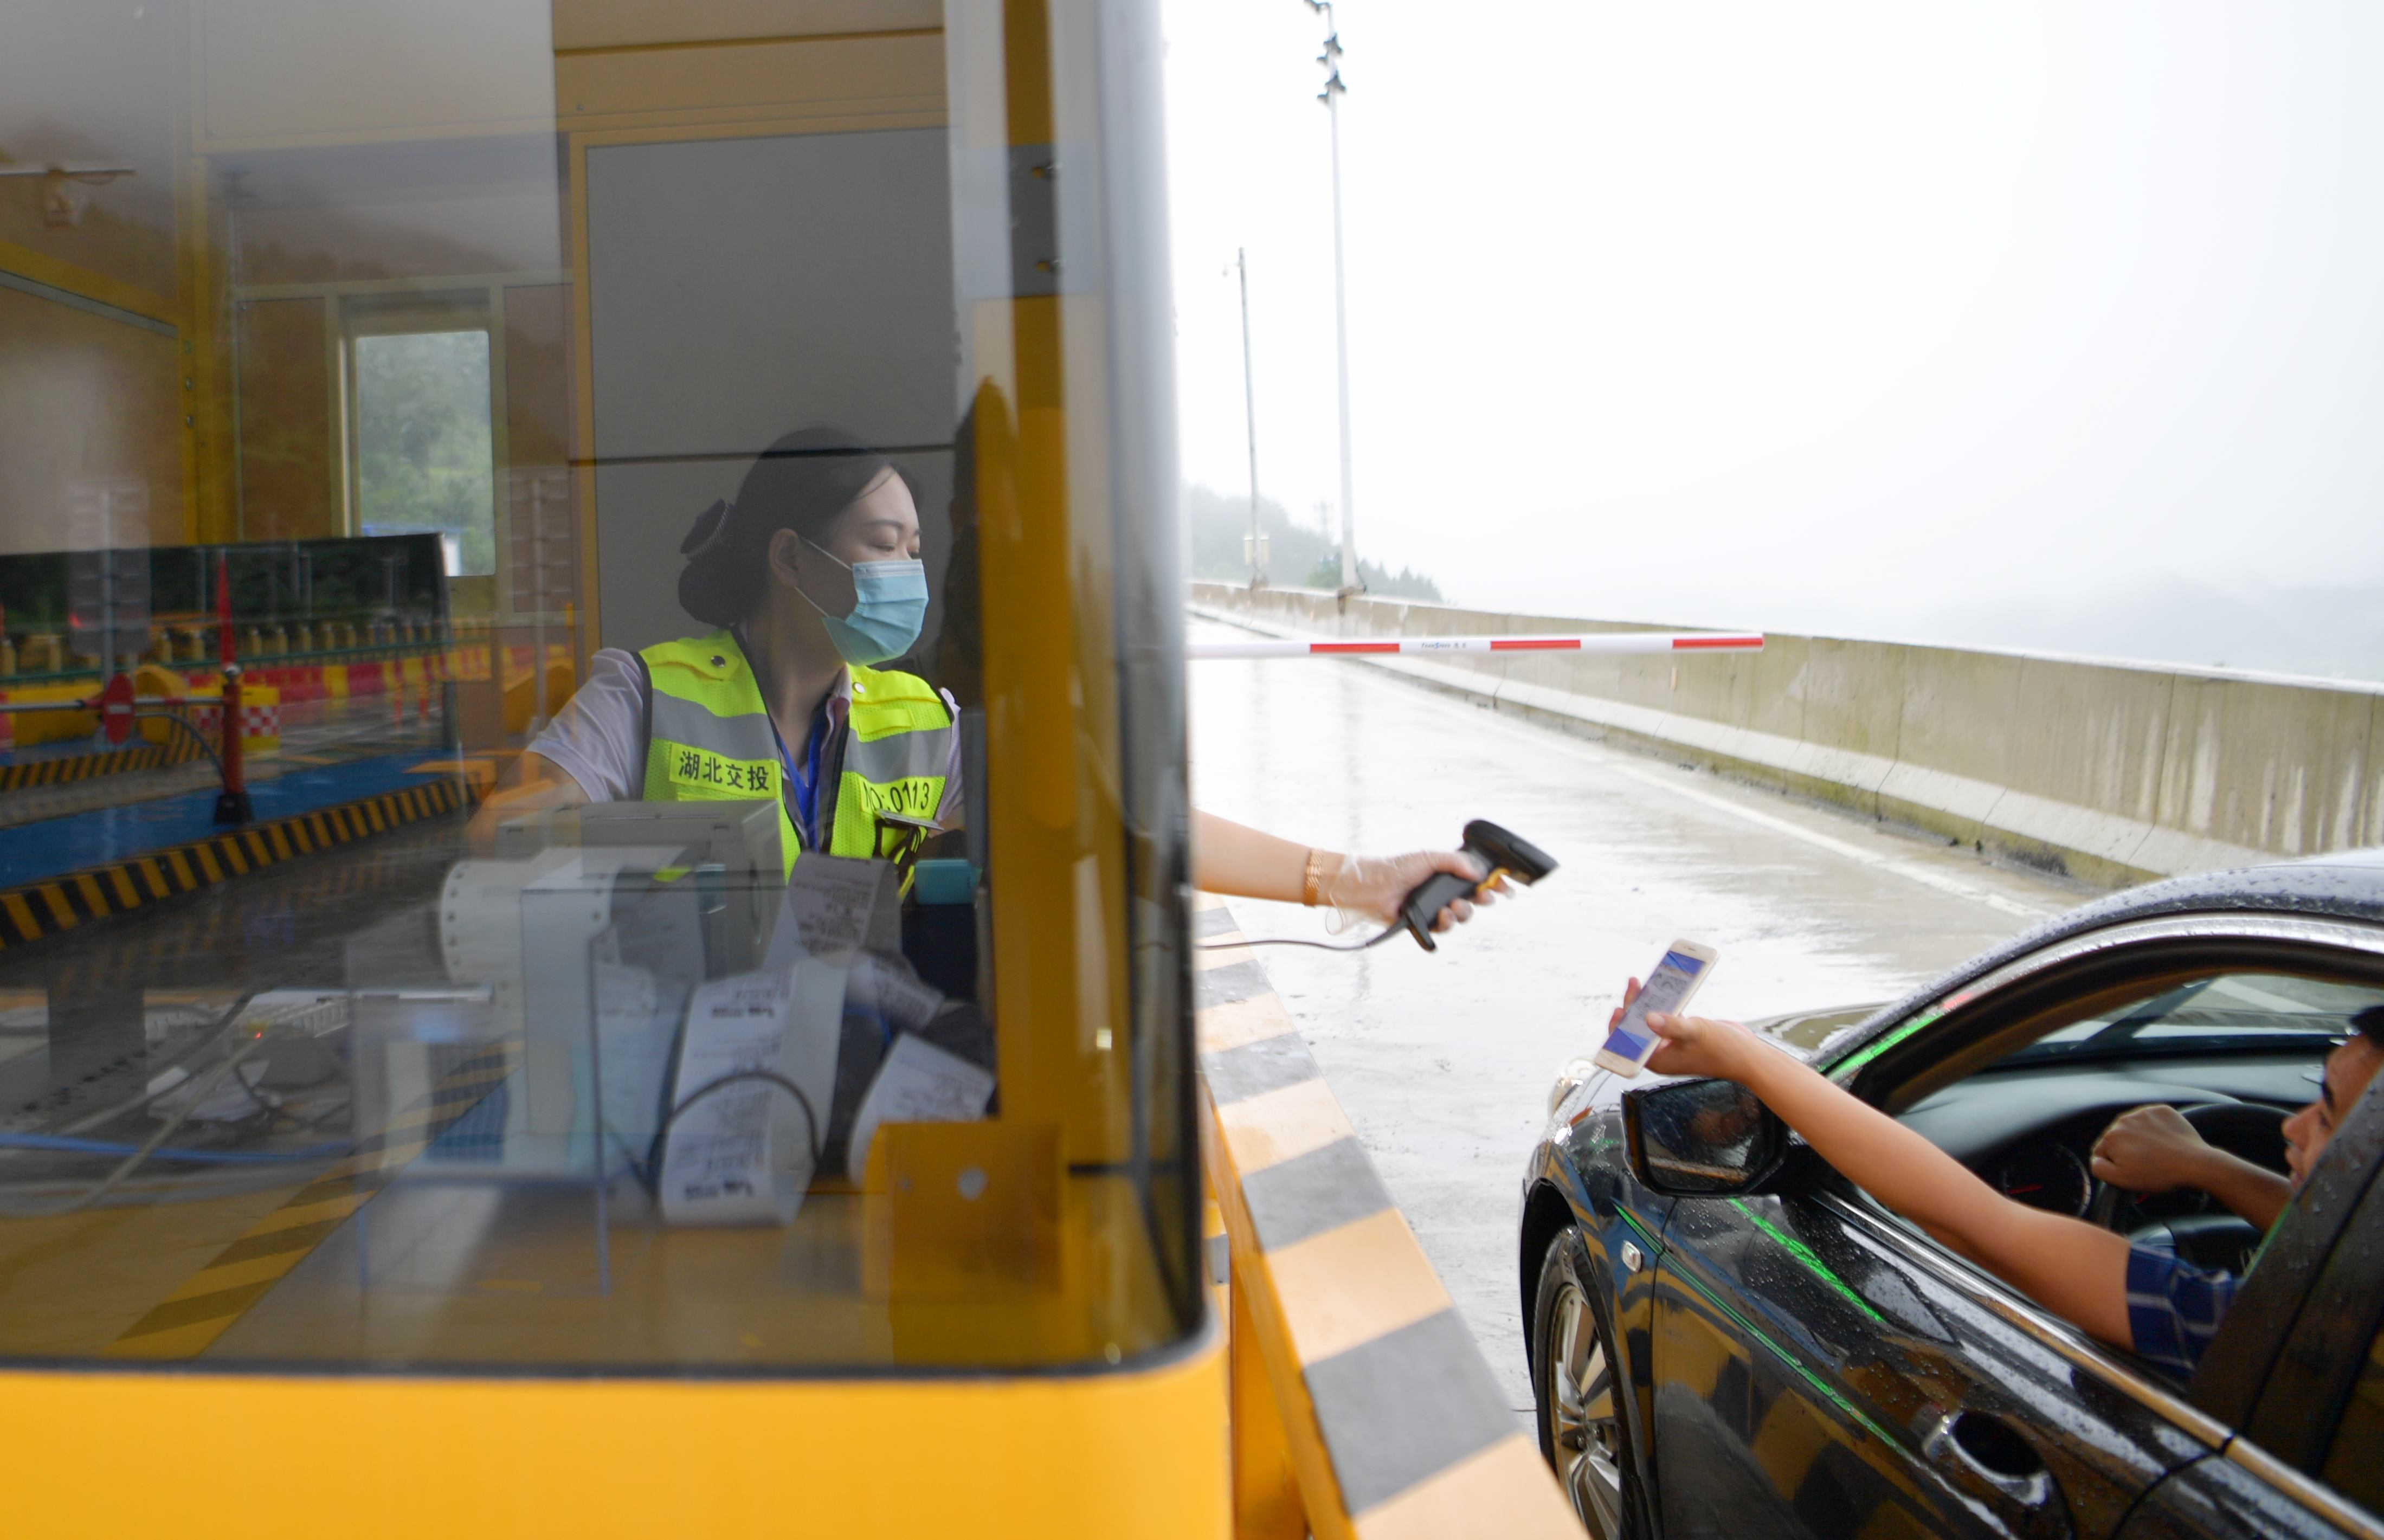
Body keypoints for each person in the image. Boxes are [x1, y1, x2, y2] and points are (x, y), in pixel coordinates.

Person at [472, 425, 1489, 929]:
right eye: (880, 543)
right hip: (673, 1093)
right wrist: (655, 861)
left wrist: (1349, 881)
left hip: (853, 1094)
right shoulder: (643, 695)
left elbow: (1120, 820)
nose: (906, 574)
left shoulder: (924, 721)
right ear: (789, 559)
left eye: (916, 548)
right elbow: (504, 836)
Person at [1624, 989, 2384, 1379]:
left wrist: (1754, 1061)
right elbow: (2350, 1228)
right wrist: (2206, 1166)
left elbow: (1978, 1221)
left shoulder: (2236, 1327)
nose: (2290, 1128)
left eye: (2325, 1117)